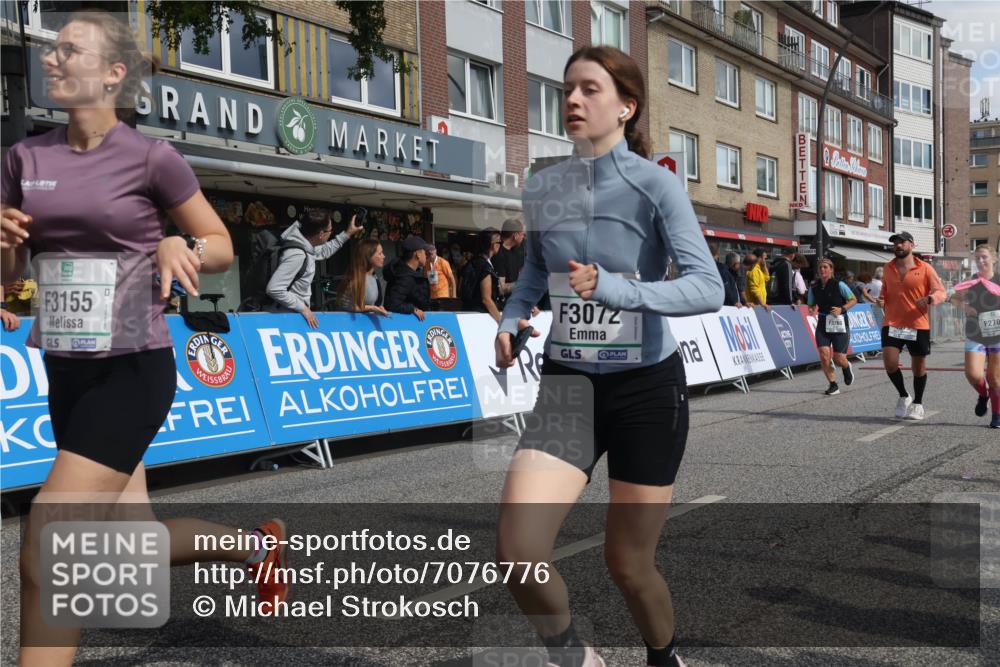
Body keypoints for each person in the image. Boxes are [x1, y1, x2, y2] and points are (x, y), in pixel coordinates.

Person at [0, 12, 288, 665]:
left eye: (68, 50)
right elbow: (9, 275)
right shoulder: (23, 158)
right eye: (50, 50)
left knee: (50, 539)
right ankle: (254, 545)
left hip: (134, 368)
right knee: (131, 547)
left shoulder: (151, 157)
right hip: (68, 370)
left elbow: (216, 244)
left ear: (112, 73)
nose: (51, 59)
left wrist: (173, 244)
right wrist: (7, 250)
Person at [494, 45, 723, 667]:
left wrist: (619, 288)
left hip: (646, 387)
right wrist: (514, 320)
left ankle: (663, 656)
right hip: (570, 382)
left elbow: (708, 286)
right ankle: (575, 658)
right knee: (518, 550)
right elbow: (535, 275)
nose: (572, 99)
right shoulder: (544, 187)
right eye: (568, 88)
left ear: (627, 106)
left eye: (590, 89)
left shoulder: (656, 185)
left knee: (628, 563)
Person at [877, 231, 946, 420]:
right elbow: (885, 289)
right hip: (892, 323)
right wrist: (882, 299)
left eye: (902, 242)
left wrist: (931, 298)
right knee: (890, 364)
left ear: (911, 245)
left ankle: (918, 402)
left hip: (917, 324)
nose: (898, 245)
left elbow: (941, 291)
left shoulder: (924, 268)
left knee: (919, 366)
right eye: (895, 243)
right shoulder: (888, 267)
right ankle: (903, 395)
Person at [266, 209, 362, 328]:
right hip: (285, 318)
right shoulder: (297, 254)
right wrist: (303, 308)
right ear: (321, 234)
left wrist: (348, 233)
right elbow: (274, 289)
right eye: (330, 230)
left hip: (292, 316)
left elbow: (324, 250)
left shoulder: (306, 246)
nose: (331, 233)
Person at [949, 245, 1000, 428]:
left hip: (998, 335)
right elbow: (954, 298)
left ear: (993, 259)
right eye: (977, 258)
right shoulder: (971, 281)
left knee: (994, 378)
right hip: (975, 333)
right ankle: (983, 395)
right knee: (972, 374)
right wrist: (966, 308)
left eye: (984, 257)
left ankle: (996, 415)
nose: (980, 261)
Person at [807, 258, 859, 395]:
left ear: (831, 269)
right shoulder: (814, 287)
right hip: (823, 323)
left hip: (839, 324)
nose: (822, 270)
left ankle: (846, 367)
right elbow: (811, 303)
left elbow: (853, 300)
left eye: (825, 267)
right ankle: (833, 385)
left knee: (838, 358)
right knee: (824, 356)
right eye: (820, 268)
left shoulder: (839, 285)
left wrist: (842, 309)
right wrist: (811, 308)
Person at [460, 227, 505, 324]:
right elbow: (486, 299)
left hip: (467, 313)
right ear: (492, 245)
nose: (500, 245)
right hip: (481, 317)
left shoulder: (471, 262)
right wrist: (500, 321)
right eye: (499, 242)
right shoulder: (484, 266)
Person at [337, 238, 389, 316]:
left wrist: (378, 308)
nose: (383, 256)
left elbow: (372, 304)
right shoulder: (355, 279)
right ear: (369, 256)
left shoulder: (374, 277)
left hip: (365, 324)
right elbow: (346, 306)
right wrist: (372, 308)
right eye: (380, 253)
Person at [384, 234, 431, 320]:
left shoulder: (410, 274)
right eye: (425, 252)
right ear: (418, 254)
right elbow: (393, 304)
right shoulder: (404, 277)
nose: (426, 256)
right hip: (405, 326)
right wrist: (413, 309)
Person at [494, 217, 526, 299]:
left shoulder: (516, 251)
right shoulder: (499, 255)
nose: (523, 237)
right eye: (522, 234)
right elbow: (500, 289)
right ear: (515, 235)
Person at [709, 242, 740, 307]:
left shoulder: (700, 267)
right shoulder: (721, 269)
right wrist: (734, 302)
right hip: (725, 307)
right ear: (718, 253)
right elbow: (726, 287)